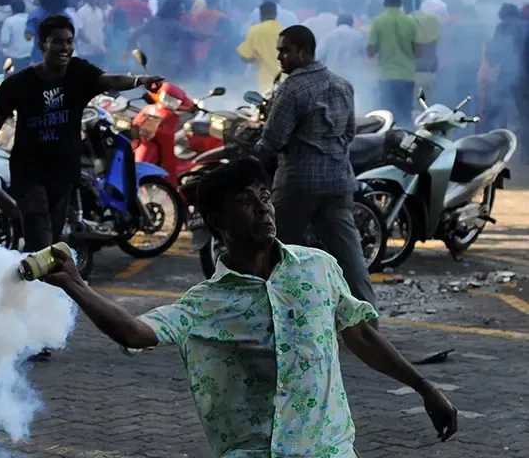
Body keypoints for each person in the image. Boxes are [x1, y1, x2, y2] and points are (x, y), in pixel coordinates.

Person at [41, 157, 458, 457]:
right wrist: (76, 285)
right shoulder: (207, 303)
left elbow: (361, 334)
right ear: (217, 222)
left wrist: (424, 386)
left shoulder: (317, 267)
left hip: (329, 448)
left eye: (264, 196)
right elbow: (136, 333)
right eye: (244, 201)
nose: (263, 209)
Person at [0, 16, 162, 361]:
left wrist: (139, 80)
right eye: (58, 41)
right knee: (41, 244)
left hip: (63, 175)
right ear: (42, 45)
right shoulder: (19, 84)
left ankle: (28, 327)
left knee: (51, 251)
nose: (65, 48)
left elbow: (108, 80)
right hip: (29, 174)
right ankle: (26, 333)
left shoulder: (80, 73)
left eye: (69, 41)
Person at [255, 25, 380, 328]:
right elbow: (349, 133)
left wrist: (255, 156)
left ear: (303, 52)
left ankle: (261, 322)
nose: (280, 57)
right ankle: (369, 326)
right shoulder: (342, 84)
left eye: (285, 50)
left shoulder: (292, 88)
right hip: (338, 181)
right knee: (350, 258)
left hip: (299, 184)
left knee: (273, 252)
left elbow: (272, 140)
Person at [367, 0, 419, 127]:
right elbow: (418, 51)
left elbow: (371, 51)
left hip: (387, 77)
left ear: (385, 2)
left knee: (387, 117)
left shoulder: (378, 21)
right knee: (405, 115)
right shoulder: (410, 21)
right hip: (407, 76)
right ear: (400, 2)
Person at [237, 1, 282, 92]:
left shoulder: (255, 30)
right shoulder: (284, 30)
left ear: (261, 15)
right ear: (275, 14)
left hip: (265, 81)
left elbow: (245, 57)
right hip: (283, 80)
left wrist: (257, 57)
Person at [316, 14, 366, 85]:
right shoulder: (358, 35)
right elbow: (364, 52)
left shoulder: (330, 35)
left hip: (333, 72)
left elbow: (318, 53)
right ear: (351, 23)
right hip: (352, 74)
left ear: (338, 22)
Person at [0, 0, 32, 71]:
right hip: (30, 57)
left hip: (14, 57)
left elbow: (4, 41)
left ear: (13, 9)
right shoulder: (31, 18)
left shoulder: (9, 21)